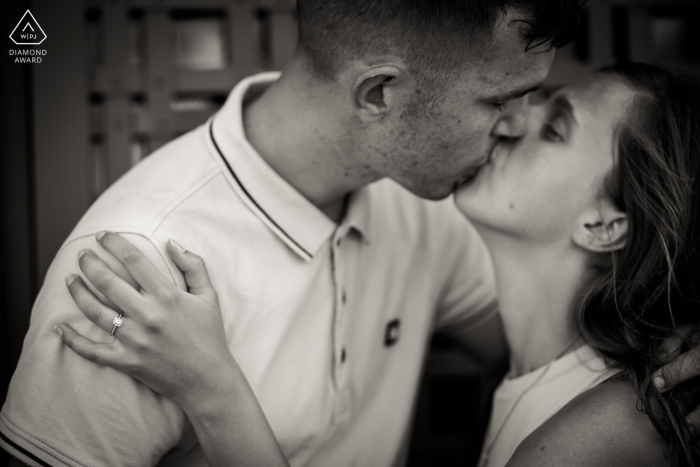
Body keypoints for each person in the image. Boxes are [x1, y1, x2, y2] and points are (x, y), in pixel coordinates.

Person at [0, 1, 580, 466]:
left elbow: (536, 347)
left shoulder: (421, 202)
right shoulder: (132, 273)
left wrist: (658, 357)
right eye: (501, 99)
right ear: (378, 93)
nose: (519, 125)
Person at [56, 62, 700, 467]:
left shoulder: (620, 426)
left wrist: (211, 387)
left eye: (553, 128)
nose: (510, 122)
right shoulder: (543, 358)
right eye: (515, 98)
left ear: (605, 224)